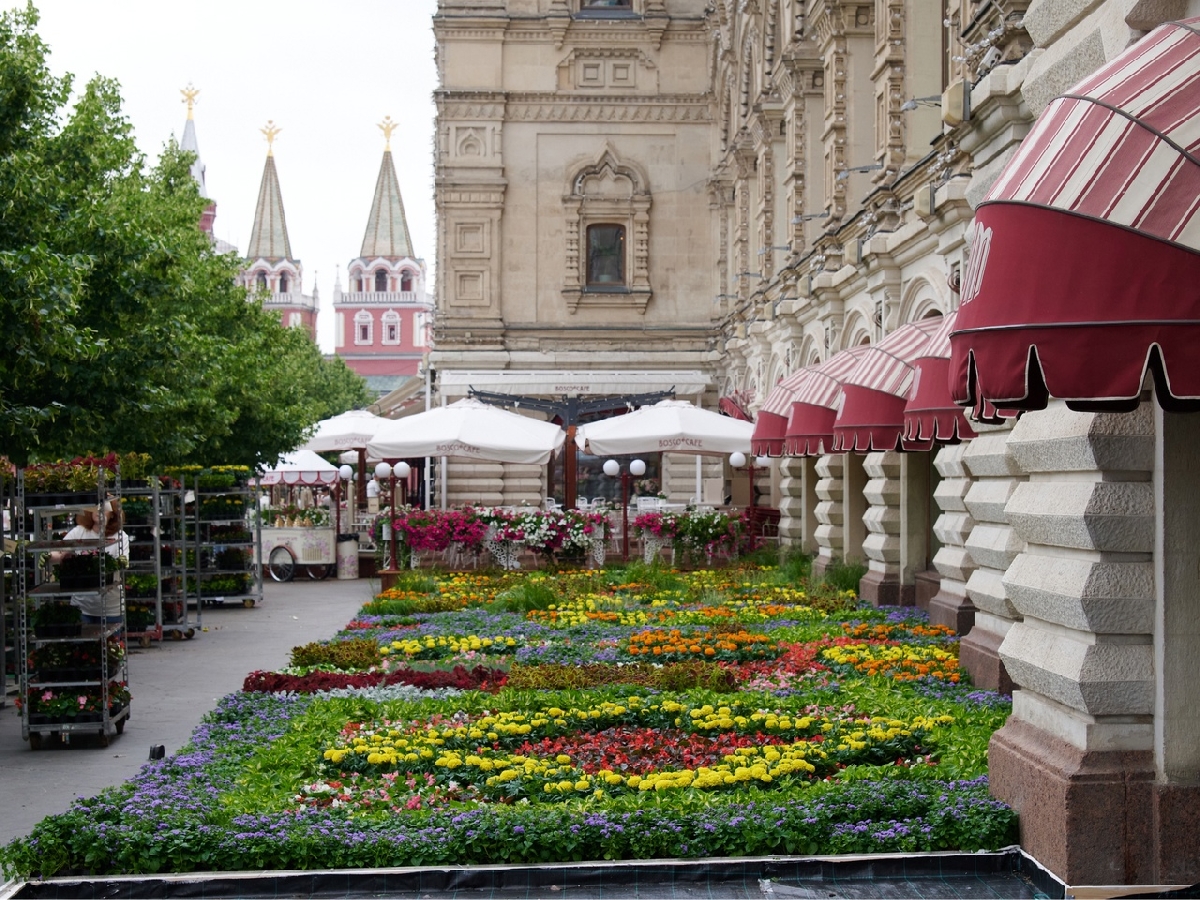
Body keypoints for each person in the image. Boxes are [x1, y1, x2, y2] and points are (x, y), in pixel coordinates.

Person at [53, 500, 129, 623]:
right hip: (82, 607)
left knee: (111, 642)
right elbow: (59, 551)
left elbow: (123, 561)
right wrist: (48, 556)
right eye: (96, 507)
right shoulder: (80, 531)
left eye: (104, 508)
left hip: (111, 608)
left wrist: (121, 561)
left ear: (112, 514)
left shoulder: (120, 536)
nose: (99, 511)